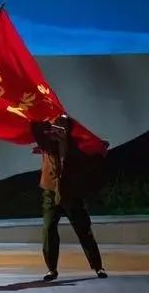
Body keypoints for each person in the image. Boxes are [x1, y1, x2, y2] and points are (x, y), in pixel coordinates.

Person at [32, 116, 107, 281]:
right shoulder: (46, 141)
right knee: (48, 229)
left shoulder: (75, 144)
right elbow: (36, 127)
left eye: (62, 124)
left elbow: (89, 157)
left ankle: (98, 266)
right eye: (55, 124)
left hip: (72, 192)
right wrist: (49, 127)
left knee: (83, 230)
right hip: (51, 191)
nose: (58, 127)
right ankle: (51, 269)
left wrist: (98, 149)